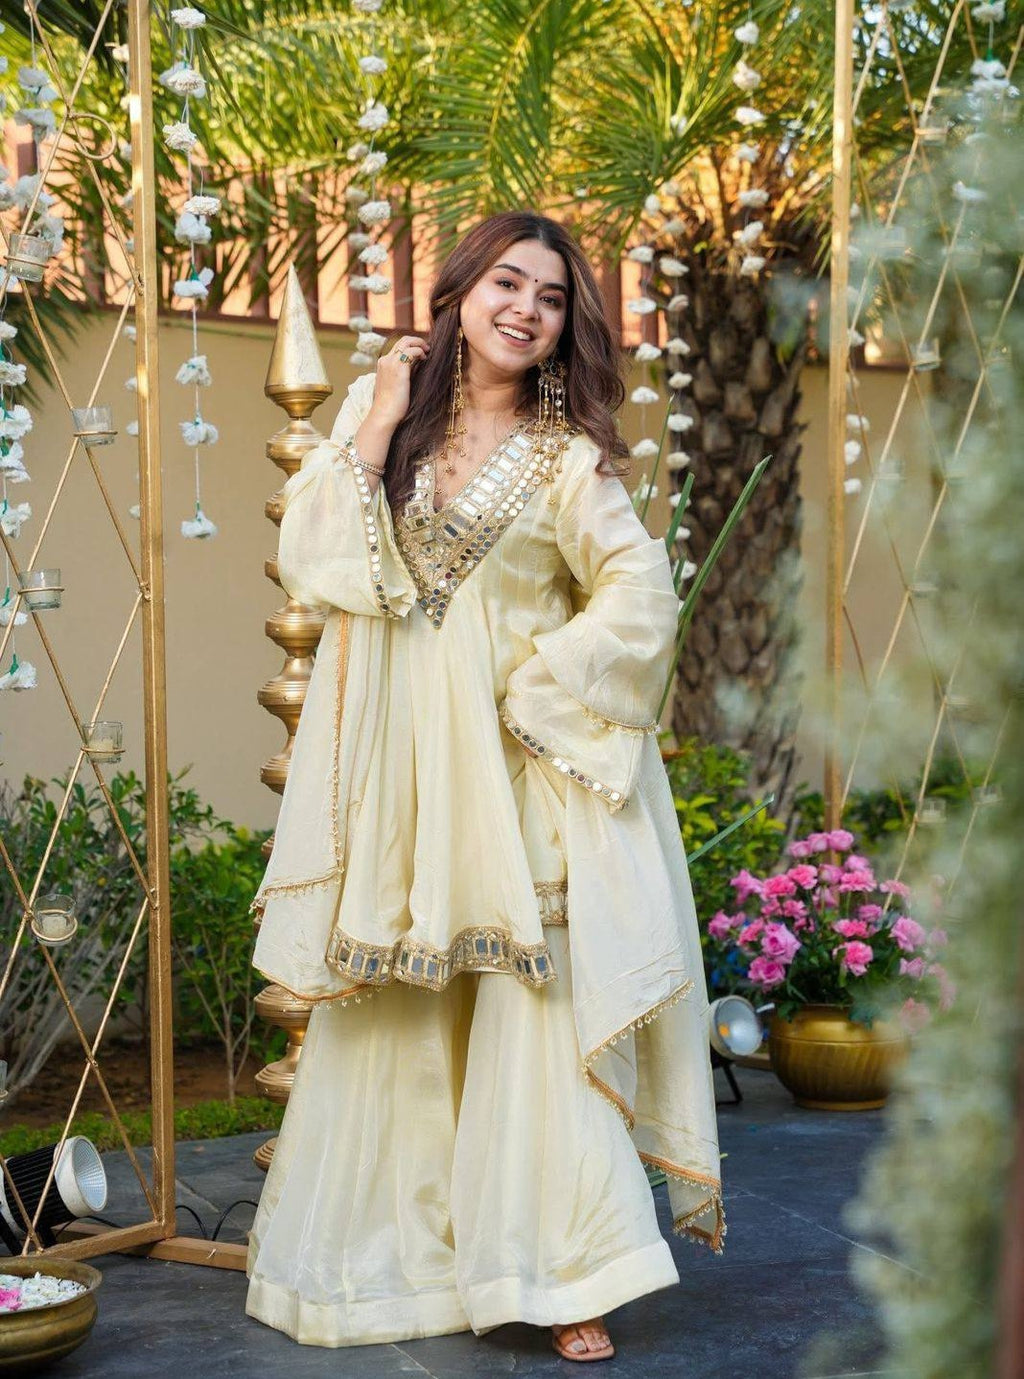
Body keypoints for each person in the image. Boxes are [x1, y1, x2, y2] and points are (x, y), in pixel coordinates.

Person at [245, 211, 723, 1362]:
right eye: (507, 283)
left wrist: (539, 689)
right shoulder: (388, 428)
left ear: (565, 327)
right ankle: (403, 1267)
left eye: (550, 297)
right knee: (400, 1019)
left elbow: (640, 595)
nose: (525, 309)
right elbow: (313, 554)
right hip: (401, 777)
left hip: (518, 780)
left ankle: (560, 1271)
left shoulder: (568, 461)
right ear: (460, 292)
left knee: (530, 1017)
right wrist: (375, 414)